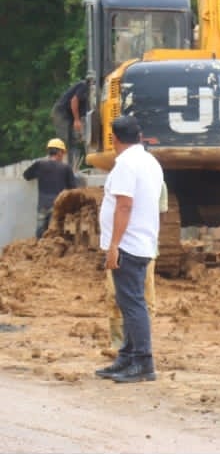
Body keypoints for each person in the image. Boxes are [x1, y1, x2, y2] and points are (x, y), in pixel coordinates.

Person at [96, 114, 164, 383]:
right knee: (129, 302)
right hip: (141, 241)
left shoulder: (125, 164)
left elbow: (124, 205)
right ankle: (127, 356)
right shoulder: (150, 161)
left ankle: (144, 362)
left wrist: (114, 245)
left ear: (114, 139)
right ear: (139, 136)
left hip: (128, 244)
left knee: (133, 303)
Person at [105, 180, 167, 357]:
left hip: (142, 248)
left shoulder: (156, 181)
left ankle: (140, 345)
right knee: (114, 294)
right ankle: (119, 344)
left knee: (144, 298)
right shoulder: (120, 178)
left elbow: (160, 215)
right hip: (121, 248)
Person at [23, 138, 77, 238]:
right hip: (58, 205)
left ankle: (39, 251)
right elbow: (73, 189)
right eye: (63, 153)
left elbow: (26, 176)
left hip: (43, 205)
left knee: (40, 234)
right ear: (60, 153)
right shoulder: (66, 168)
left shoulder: (40, 164)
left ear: (49, 151)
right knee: (55, 234)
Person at [51, 79, 87, 168]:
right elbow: (74, 101)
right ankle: (57, 166)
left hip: (70, 115)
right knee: (64, 141)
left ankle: (71, 167)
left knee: (73, 142)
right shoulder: (84, 86)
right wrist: (77, 120)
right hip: (61, 112)